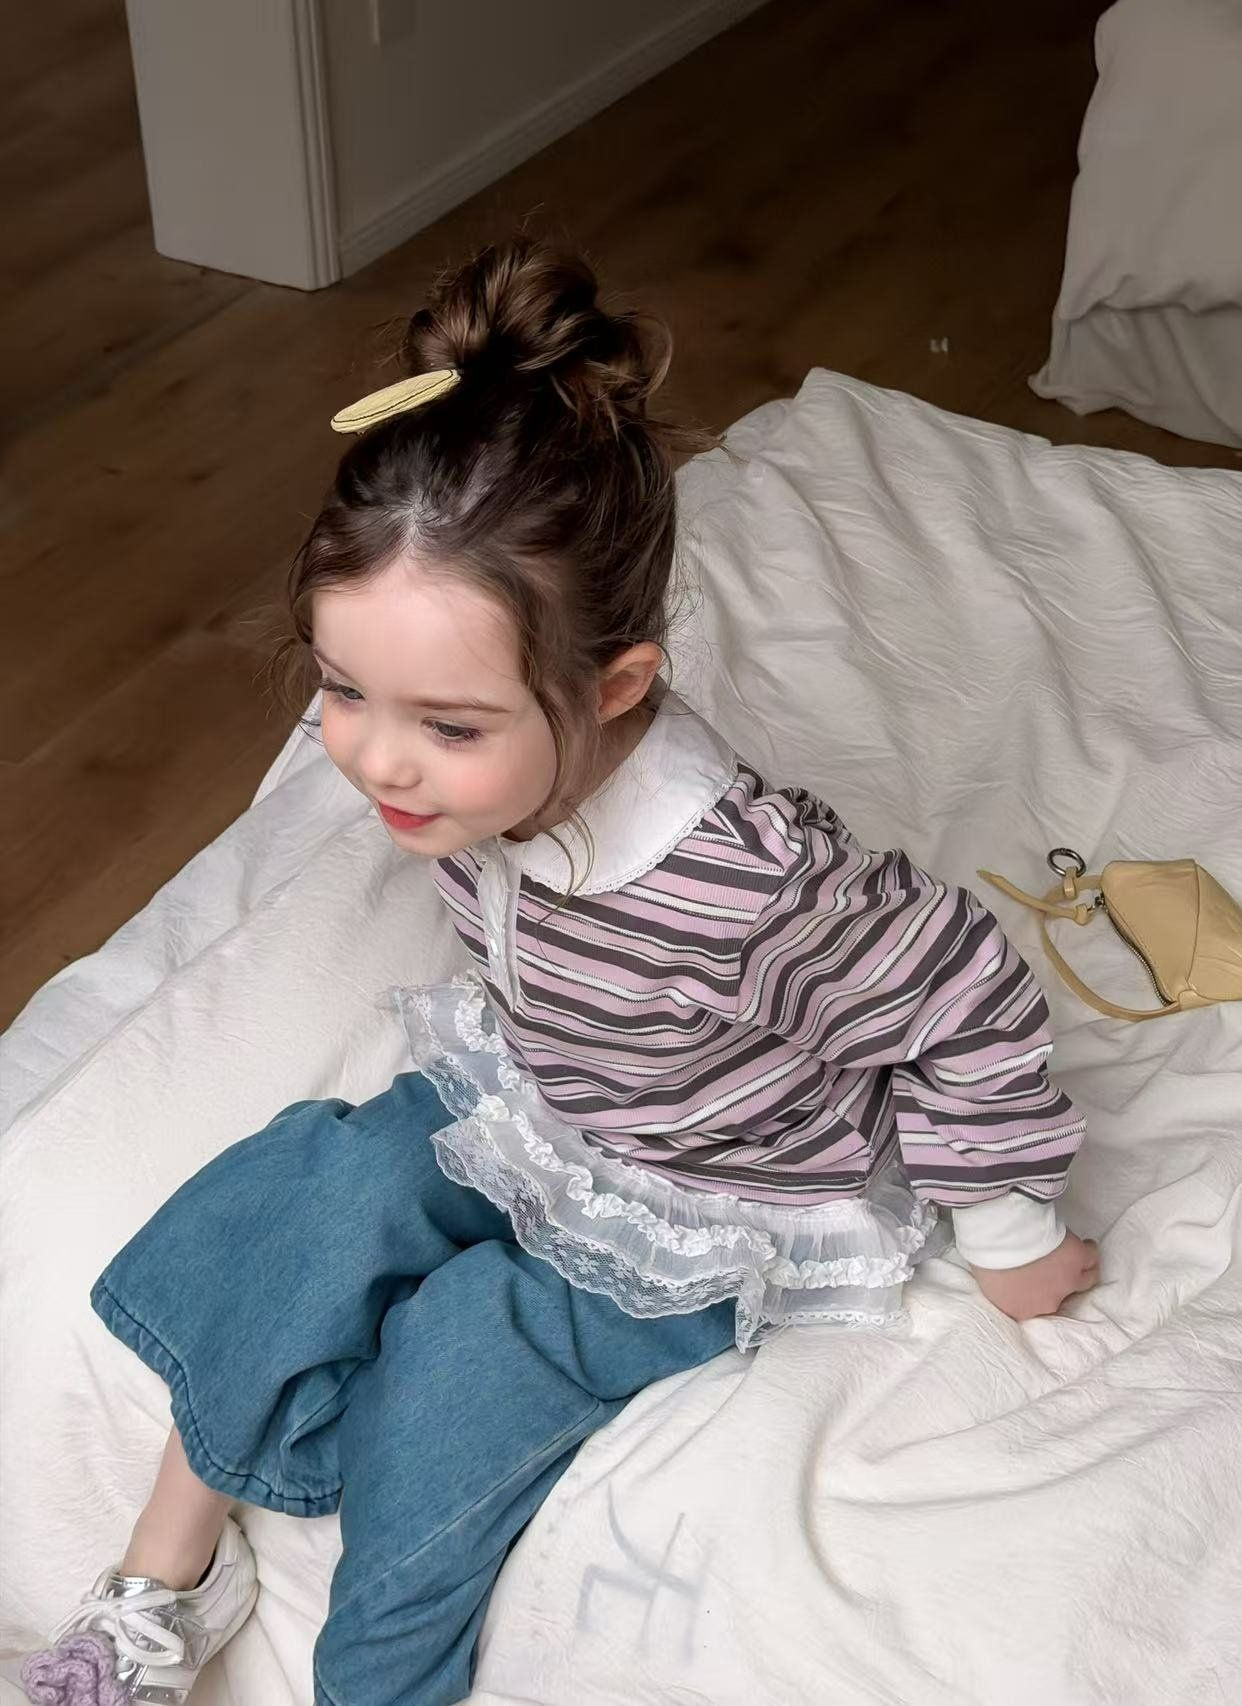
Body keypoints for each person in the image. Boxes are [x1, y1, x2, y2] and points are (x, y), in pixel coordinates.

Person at [24, 237, 1098, 1706]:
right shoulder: (463, 782)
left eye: (449, 726)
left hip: (704, 1191)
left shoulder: (752, 885)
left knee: (457, 1370)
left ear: (617, 688)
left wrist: (1011, 1226)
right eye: (342, 690)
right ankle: (167, 1577)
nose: (378, 761)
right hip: (543, 1094)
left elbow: (963, 992)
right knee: (314, 1193)